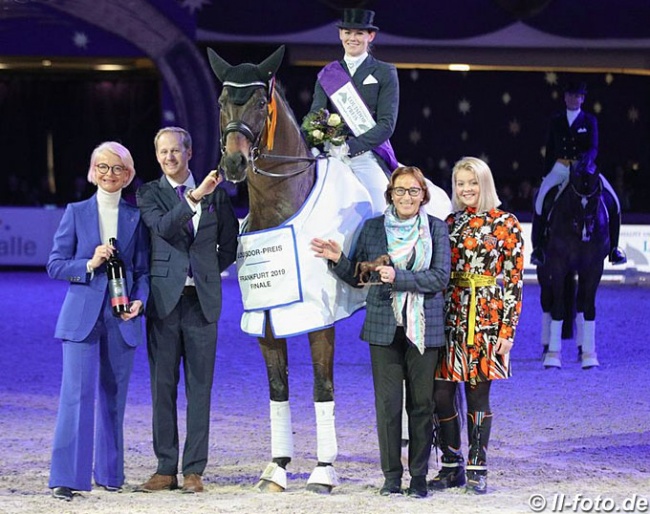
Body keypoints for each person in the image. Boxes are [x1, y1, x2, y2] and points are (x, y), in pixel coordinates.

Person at [311, 166, 450, 498]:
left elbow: (440, 277)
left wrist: (398, 278)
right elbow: (360, 276)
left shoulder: (435, 229)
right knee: (388, 406)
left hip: (424, 329)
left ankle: (418, 477)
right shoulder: (374, 229)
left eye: (413, 191)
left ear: (423, 195)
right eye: (400, 191)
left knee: (421, 404)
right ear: (390, 194)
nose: (406, 197)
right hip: (382, 329)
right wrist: (338, 259)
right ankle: (391, 476)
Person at [136, 127, 239, 493]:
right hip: (164, 303)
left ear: (189, 152)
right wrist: (195, 196)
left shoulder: (219, 197)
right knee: (162, 387)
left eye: (175, 151)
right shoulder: (149, 193)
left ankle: (194, 469)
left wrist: (208, 271)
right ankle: (166, 467)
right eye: (162, 152)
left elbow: (228, 245)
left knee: (201, 389)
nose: (168, 158)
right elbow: (163, 228)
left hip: (201, 302)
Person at [47, 142, 150, 501]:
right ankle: (67, 477)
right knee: (76, 396)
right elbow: (55, 264)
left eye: (118, 168)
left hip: (122, 317)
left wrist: (140, 300)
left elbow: (142, 271)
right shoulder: (76, 212)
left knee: (114, 398)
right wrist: (88, 264)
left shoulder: (136, 217)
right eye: (103, 167)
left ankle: (110, 473)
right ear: (93, 171)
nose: (110, 174)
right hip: (81, 318)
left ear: (129, 175)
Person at [430, 157, 524, 495]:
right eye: (460, 183)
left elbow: (514, 281)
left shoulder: (506, 223)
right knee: (440, 393)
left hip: (484, 317)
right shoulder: (449, 222)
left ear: (485, 184)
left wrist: (507, 330)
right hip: (449, 314)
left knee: (477, 395)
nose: (466, 189)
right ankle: (451, 462)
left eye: (472, 183)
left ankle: (477, 466)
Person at [305, 8, 399, 214]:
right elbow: (315, 115)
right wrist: (311, 142)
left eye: (359, 33)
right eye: (347, 33)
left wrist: (350, 147)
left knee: (379, 208)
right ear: (340, 35)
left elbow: (386, 124)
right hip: (330, 153)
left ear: (370, 36)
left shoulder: (385, 71)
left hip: (365, 155)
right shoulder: (328, 74)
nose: (352, 38)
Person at [531, 81, 626, 266]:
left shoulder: (590, 120)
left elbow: (594, 147)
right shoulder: (556, 120)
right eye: (571, 95)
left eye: (578, 96)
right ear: (565, 97)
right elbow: (550, 148)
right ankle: (538, 248)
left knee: (614, 201)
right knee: (541, 200)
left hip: (584, 168)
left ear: (582, 98)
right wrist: (545, 174)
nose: (574, 99)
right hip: (560, 167)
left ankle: (614, 249)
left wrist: (585, 161)